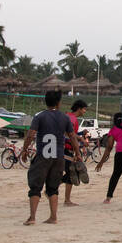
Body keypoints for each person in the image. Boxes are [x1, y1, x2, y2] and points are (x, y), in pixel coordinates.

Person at [22, 90, 82, 225]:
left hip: (43, 156)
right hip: (58, 157)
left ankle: (32, 218)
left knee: (35, 187)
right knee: (53, 187)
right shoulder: (65, 118)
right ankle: (53, 217)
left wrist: (24, 150)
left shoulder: (39, 117)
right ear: (58, 103)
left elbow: (31, 134)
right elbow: (72, 136)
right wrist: (77, 153)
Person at [61, 99, 90, 206]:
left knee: (69, 173)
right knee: (70, 174)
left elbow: (72, 133)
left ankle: (51, 189)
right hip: (66, 150)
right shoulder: (72, 119)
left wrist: (81, 134)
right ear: (79, 108)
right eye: (84, 109)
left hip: (64, 149)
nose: (85, 111)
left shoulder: (68, 116)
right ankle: (66, 200)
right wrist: (81, 140)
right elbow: (69, 134)